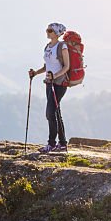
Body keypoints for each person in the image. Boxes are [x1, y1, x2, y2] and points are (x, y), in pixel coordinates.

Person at [29, 23, 70, 153]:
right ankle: (62, 144)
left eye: (50, 30)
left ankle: (51, 144)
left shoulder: (62, 46)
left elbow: (66, 66)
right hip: (49, 83)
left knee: (50, 113)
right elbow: (48, 66)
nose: (47, 31)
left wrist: (55, 76)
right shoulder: (48, 47)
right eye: (47, 29)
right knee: (56, 113)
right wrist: (35, 73)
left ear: (57, 33)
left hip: (59, 84)